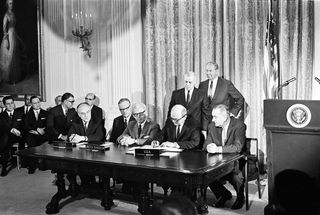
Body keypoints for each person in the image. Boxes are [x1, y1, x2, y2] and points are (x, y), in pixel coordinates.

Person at [203, 104, 246, 210]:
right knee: (206, 174)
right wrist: (209, 146)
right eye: (212, 116)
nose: (213, 120)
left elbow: (237, 147)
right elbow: (206, 143)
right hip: (217, 161)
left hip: (235, 161)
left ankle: (240, 197)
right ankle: (224, 194)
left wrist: (218, 149)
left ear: (225, 116)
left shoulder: (239, 125)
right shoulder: (212, 126)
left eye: (215, 117)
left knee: (237, 177)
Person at [45, 92, 79, 196]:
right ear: (64, 101)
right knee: (60, 164)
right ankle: (61, 182)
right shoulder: (53, 111)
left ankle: (72, 182)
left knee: (72, 161)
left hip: (69, 139)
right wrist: (60, 136)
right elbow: (49, 127)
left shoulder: (73, 111)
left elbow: (75, 125)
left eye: (73, 101)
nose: (73, 103)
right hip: (57, 139)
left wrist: (71, 136)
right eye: (71, 101)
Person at [199, 62, 244, 136]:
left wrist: (232, 113)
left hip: (221, 123)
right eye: (207, 71)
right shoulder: (202, 84)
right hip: (205, 124)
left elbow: (240, 99)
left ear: (216, 71)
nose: (208, 73)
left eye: (210, 71)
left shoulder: (226, 84)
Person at [68, 102, 105, 187]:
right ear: (78, 114)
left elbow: (99, 136)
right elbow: (70, 135)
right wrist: (72, 137)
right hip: (80, 152)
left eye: (88, 112)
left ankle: (91, 185)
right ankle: (83, 184)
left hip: (96, 151)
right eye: (83, 113)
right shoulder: (75, 121)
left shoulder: (98, 121)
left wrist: (83, 138)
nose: (86, 115)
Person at [0, 95, 23, 176]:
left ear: (14, 103)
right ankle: (4, 168)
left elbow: (25, 126)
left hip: (18, 137)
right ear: (4, 105)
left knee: (4, 140)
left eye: (12, 103)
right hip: (7, 137)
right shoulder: (1, 115)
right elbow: (1, 127)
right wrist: (12, 130)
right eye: (8, 104)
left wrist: (20, 132)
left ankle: (3, 163)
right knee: (6, 140)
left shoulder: (20, 113)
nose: (10, 105)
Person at [24, 95, 48, 174]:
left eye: (38, 102)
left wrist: (41, 130)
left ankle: (43, 164)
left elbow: (48, 125)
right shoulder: (27, 114)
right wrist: (36, 129)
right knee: (31, 145)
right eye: (34, 103)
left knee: (45, 144)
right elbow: (26, 126)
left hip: (43, 134)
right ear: (31, 104)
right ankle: (32, 166)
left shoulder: (46, 113)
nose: (37, 104)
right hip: (32, 134)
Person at [0, 0, 22, 84]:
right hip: (9, 36)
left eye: (12, 3)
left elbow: (14, 26)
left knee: (15, 56)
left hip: (14, 35)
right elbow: (4, 29)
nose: (11, 5)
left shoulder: (13, 14)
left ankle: (14, 78)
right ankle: (9, 78)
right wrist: (7, 41)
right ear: (7, 5)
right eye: (10, 3)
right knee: (10, 56)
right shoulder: (6, 15)